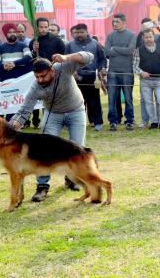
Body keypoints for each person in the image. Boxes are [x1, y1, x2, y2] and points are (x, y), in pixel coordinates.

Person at [10, 51, 94, 201]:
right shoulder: (36, 87)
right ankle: (42, 187)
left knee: (77, 148)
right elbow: (25, 110)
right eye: (37, 77)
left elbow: (89, 57)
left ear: (52, 70)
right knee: (44, 151)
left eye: (43, 76)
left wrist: (66, 57)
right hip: (53, 114)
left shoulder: (64, 67)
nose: (40, 80)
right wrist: (14, 125)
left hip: (76, 111)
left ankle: (72, 180)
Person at [133, 28, 160, 130]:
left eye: (150, 37)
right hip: (145, 81)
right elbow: (134, 66)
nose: (149, 39)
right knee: (148, 102)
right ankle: (153, 121)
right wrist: (141, 72)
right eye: (146, 37)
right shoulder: (138, 50)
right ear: (143, 38)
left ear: (154, 37)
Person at [65, 23, 107, 131]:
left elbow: (102, 59)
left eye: (82, 32)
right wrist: (72, 71)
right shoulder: (70, 45)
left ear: (87, 32)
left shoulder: (95, 44)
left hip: (93, 77)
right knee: (79, 102)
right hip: (76, 78)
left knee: (95, 101)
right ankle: (79, 124)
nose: (79, 34)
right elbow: (66, 60)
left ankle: (98, 123)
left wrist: (102, 68)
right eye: (77, 32)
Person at [29, 17, 66, 129]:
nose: (44, 29)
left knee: (55, 98)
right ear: (36, 27)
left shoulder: (57, 40)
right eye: (41, 27)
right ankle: (37, 121)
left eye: (46, 27)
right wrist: (34, 51)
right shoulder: (33, 42)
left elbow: (64, 56)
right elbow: (32, 59)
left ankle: (56, 121)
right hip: (40, 75)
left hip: (55, 73)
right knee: (39, 97)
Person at [105, 13, 137, 131]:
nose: (114, 24)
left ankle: (129, 121)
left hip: (127, 72)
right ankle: (113, 121)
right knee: (111, 98)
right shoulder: (110, 36)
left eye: (117, 21)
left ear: (124, 22)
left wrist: (115, 49)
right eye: (113, 22)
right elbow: (107, 52)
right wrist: (119, 50)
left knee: (128, 98)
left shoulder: (132, 35)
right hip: (112, 71)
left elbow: (130, 50)